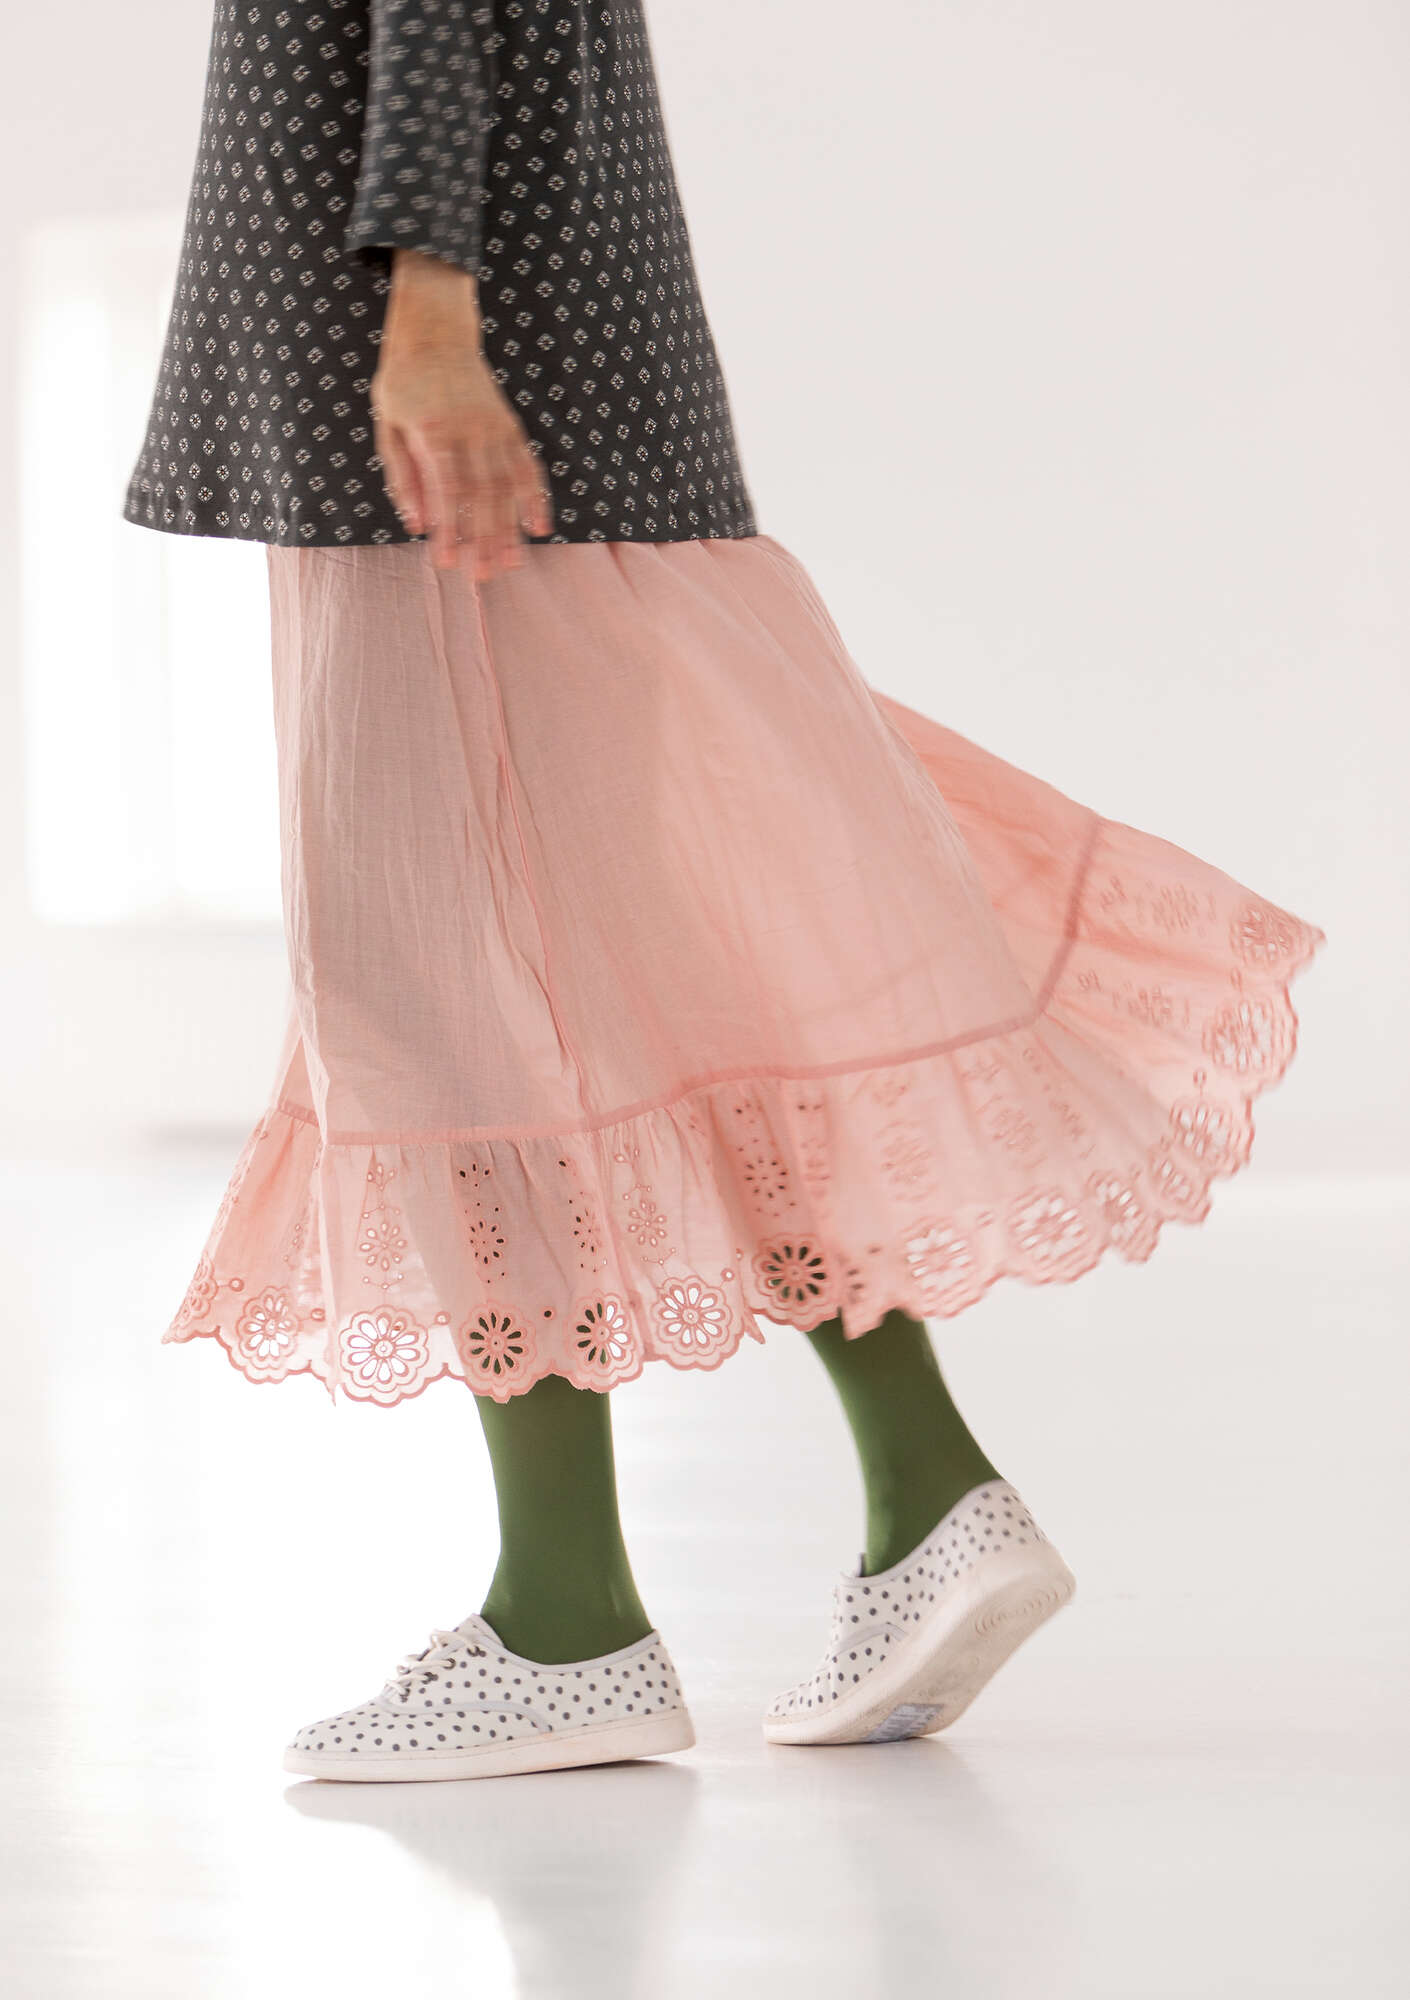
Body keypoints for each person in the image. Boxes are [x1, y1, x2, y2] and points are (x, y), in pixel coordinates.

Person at [122, 2, 1325, 1783]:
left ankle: (567, 1626)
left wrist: (431, 318)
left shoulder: (433, 356)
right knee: (657, 965)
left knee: (432, 999)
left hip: (436, 425)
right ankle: (927, 1494)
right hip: (573, 365)